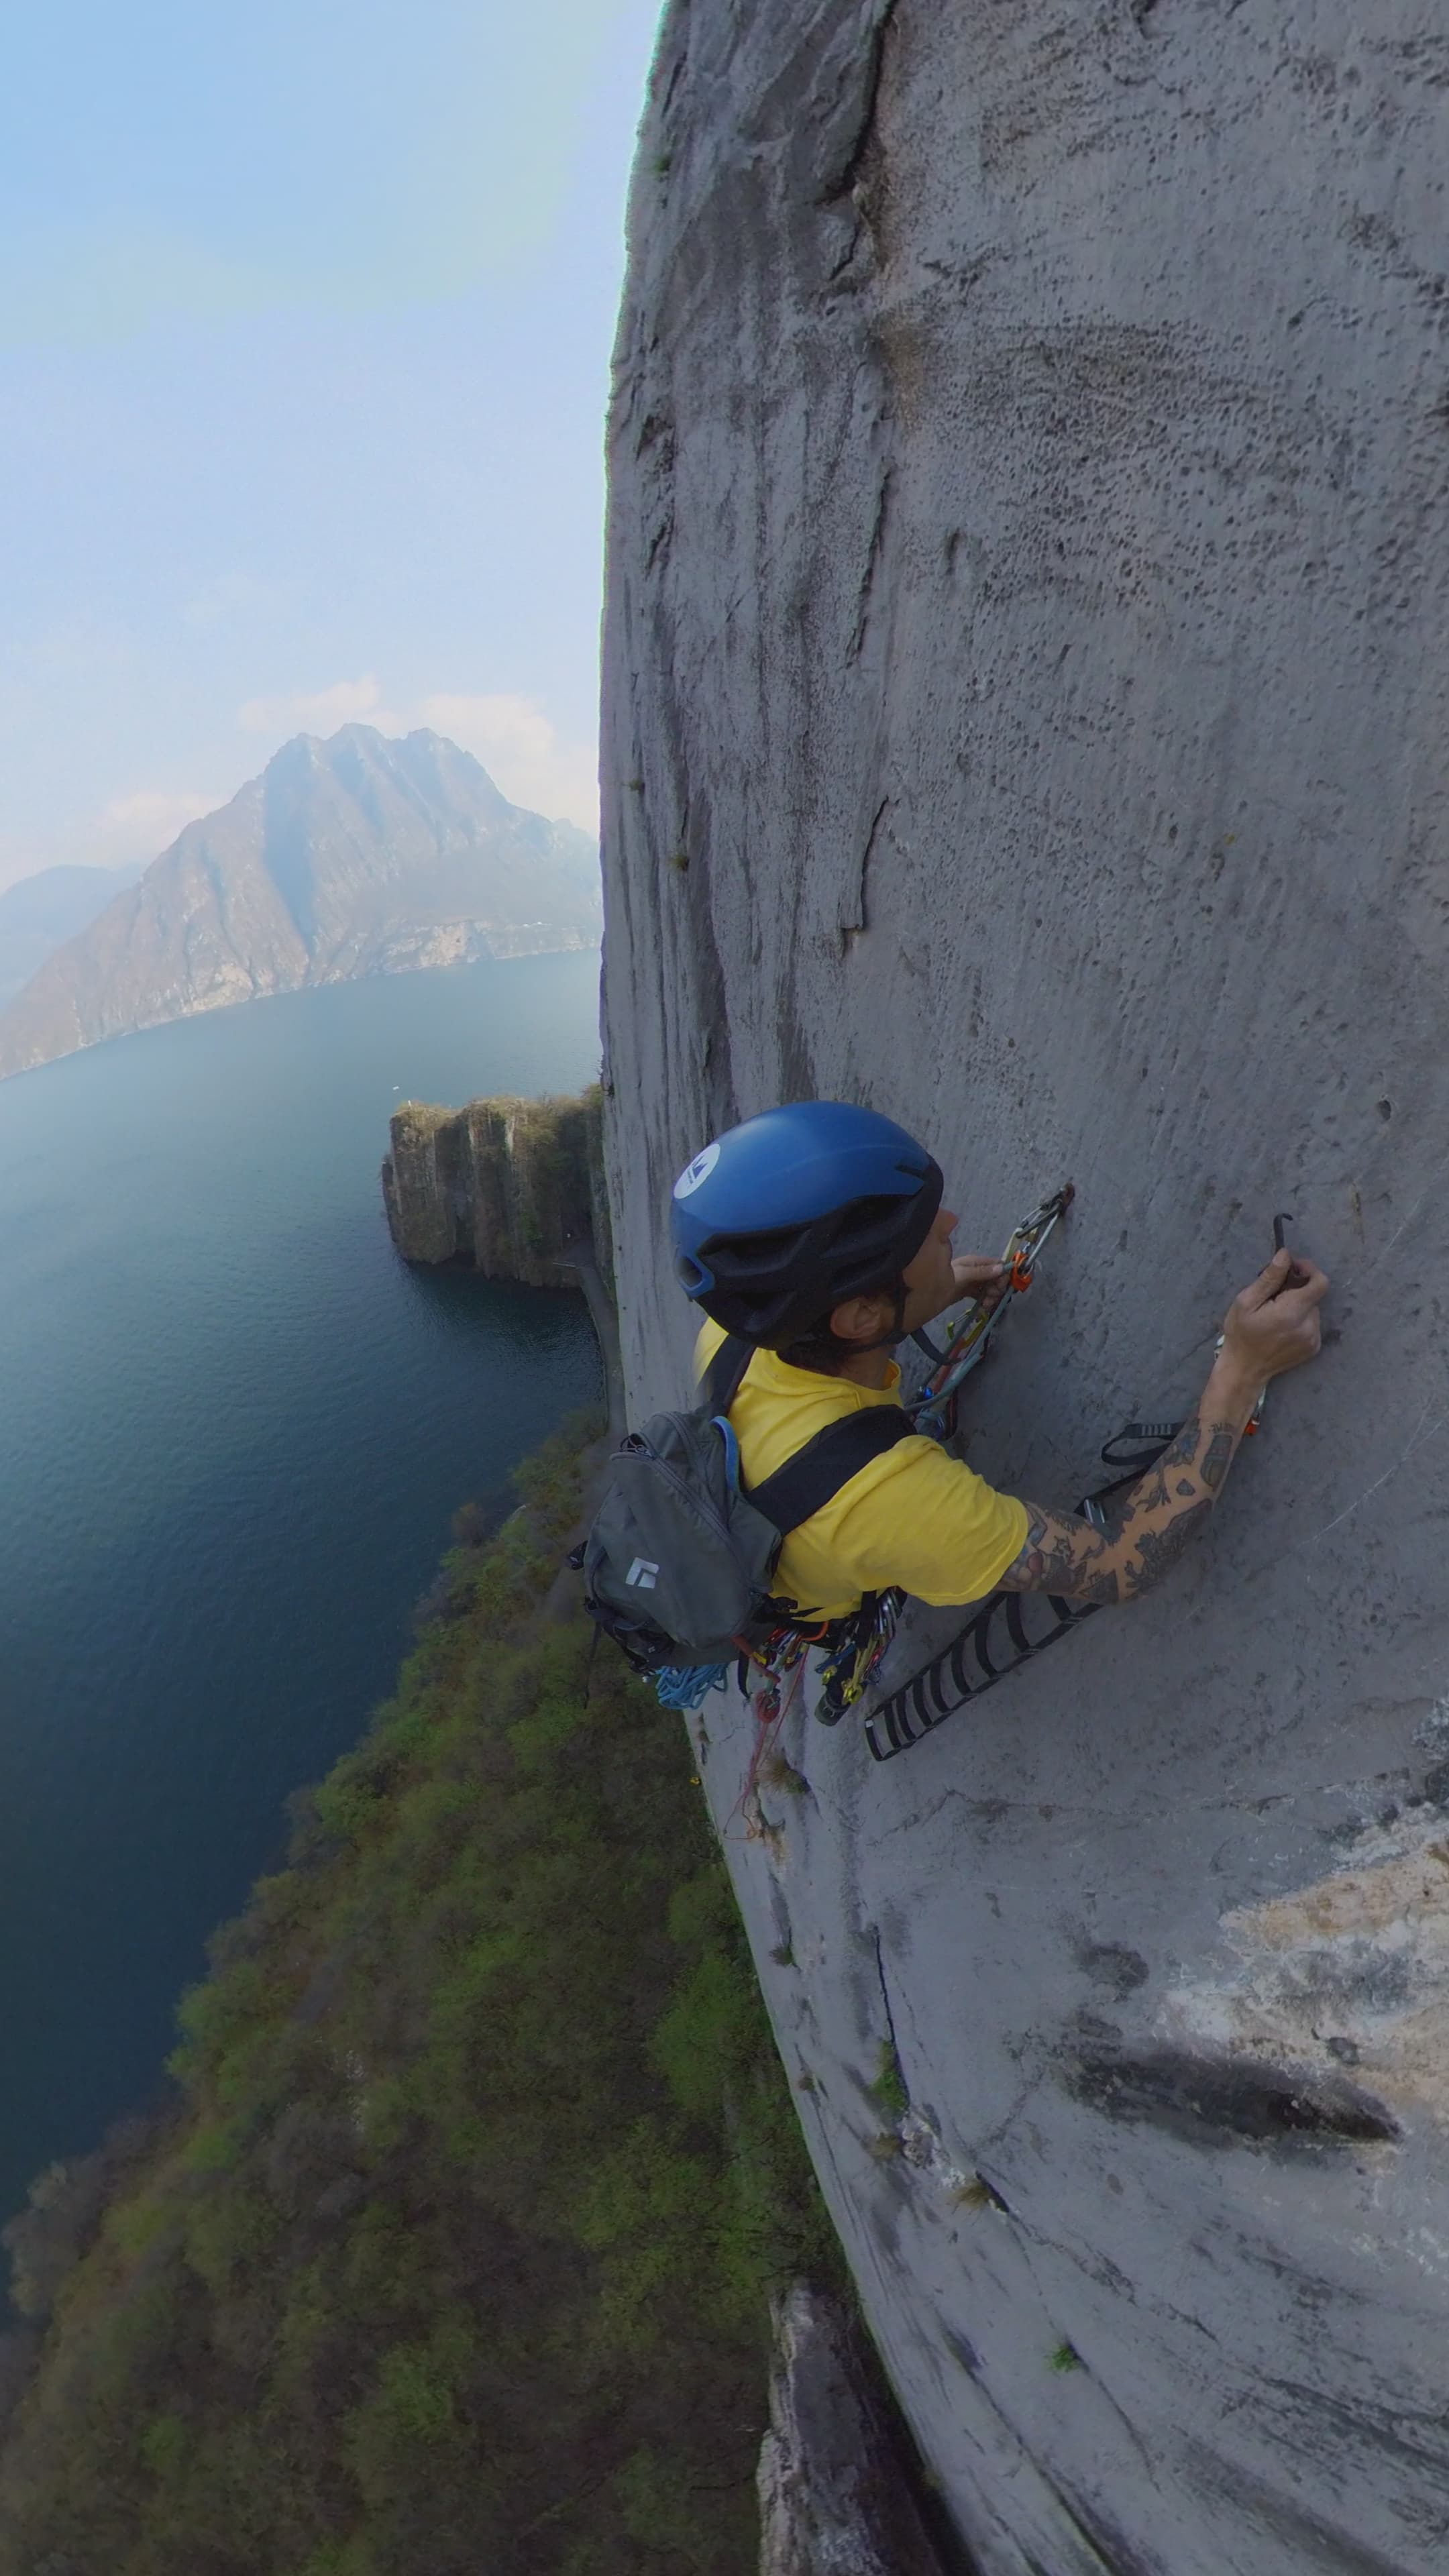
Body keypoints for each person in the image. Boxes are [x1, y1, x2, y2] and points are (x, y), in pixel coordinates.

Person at [669, 1100, 1328, 1624]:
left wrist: (932, 1285)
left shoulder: (739, 1334)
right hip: (821, 1569)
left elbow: (852, 1321)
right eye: (926, 1234)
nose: (951, 1220)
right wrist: (1242, 1368)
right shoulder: (894, 1504)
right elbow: (1123, 1563)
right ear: (860, 1316)